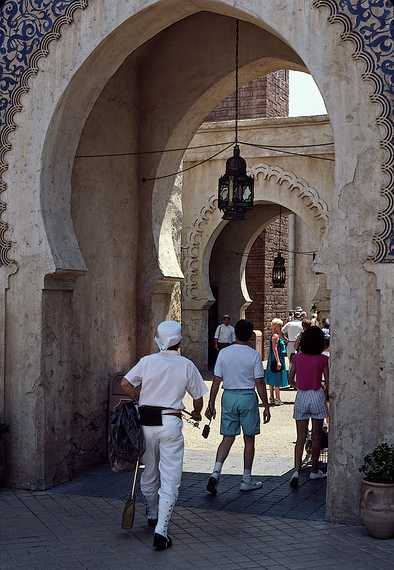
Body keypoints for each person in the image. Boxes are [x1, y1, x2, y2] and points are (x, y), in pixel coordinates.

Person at [120, 320, 208, 551]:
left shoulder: (147, 362)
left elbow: (125, 383)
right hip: (171, 419)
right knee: (170, 477)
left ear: (158, 340)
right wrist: (197, 412)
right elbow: (198, 397)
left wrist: (141, 399)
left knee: (149, 469)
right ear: (179, 340)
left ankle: (152, 511)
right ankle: (161, 530)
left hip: (147, 418)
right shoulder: (186, 365)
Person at [205, 319, 270, 495]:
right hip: (247, 397)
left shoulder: (224, 354)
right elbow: (259, 382)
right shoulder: (253, 355)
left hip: (229, 396)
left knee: (227, 437)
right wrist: (266, 405)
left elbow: (216, 381)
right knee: (249, 439)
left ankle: (216, 472)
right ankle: (246, 479)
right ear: (250, 335)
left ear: (235, 333)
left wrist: (211, 403)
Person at [288, 326, 329, 488]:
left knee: (300, 437)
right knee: (317, 435)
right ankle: (314, 470)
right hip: (317, 394)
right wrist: (326, 393)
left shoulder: (297, 358)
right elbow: (328, 380)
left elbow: (290, 379)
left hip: (302, 396)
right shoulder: (323, 359)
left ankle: (296, 471)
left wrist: (299, 386)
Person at [266, 318, 289, 405]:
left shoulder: (278, 335)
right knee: (276, 379)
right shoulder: (275, 336)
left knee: (273, 378)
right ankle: (277, 398)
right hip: (276, 358)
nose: (281, 327)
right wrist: (278, 361)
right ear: (277, 326)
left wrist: (282, 335)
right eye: (280, 326)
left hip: (275, 358)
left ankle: (272, 397)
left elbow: (287, 342)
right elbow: (274, 349)